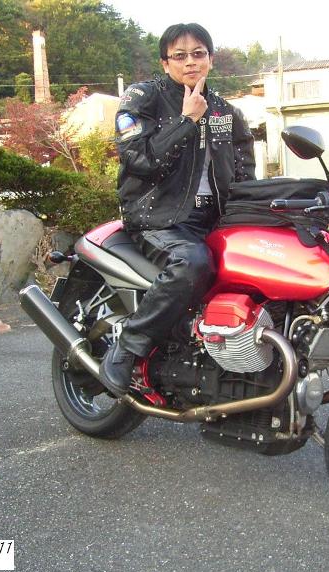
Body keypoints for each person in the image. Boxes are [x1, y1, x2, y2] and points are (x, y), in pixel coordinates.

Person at [99, 23, 256, 396]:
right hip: (159, 219)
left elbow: (244, 176)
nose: (190, 62)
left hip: (213, 220)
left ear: (210, 59)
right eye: (180, 56)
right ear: (165, 62)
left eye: (198, 54)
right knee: (192, 262)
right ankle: (128, 347)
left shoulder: (227, 112)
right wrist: (186, 121)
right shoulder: (143, 98)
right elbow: (139, 159)